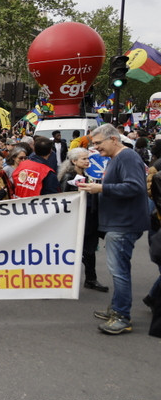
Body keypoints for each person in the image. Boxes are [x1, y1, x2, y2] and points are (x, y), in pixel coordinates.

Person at [79, 124, 150, 335]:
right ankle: (117, 309)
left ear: (114, 139)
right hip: (119, 222)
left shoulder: (126, 158)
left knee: (119, 272)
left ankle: (121, 315)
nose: (96, 148)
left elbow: (135, 187)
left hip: (123, 224)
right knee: (118, 270)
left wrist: (100, 188)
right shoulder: (117, 159)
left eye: (98, 143)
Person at [58, 148, 108, 293]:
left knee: (90, 250)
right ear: (74, 161)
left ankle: (90, 279)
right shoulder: (69, 177)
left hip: (89, 219)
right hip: (77, 219)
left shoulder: (86, 175)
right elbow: (64, 199)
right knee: (73, 251)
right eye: (83, 159)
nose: (87, 161)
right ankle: (60, 280)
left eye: (87, 158)